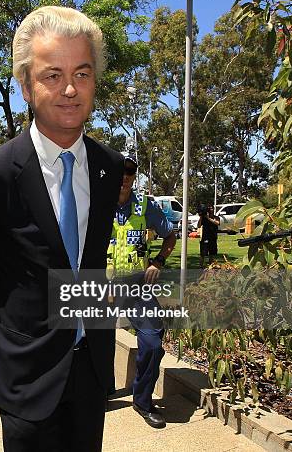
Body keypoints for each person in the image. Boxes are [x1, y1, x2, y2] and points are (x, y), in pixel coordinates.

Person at [0, 6, 124, 452]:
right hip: (27, 371)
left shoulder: (109, 168)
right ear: (25, 85)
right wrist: (20, 314)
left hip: (92, 367)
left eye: (82, 74)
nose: (69, 89)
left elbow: (90, 261)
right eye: (52, 75)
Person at [107, 155, 176, 428]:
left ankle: (143, 401)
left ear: (135, 175)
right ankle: (98, 393)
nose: (125, 176)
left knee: (152, 342)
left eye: (130, 172)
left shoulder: (146, 206)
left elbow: (170, 236)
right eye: (121, 171)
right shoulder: (97, 202)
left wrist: (158, 261)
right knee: (89, 343)